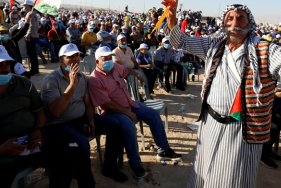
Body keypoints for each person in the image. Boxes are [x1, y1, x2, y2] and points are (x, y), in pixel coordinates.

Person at [161, 0, 281, 188]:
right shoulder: (213, 45)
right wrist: (172, 19)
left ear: (249, 24)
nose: (234, 23)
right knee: (202, 175)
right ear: (223, 23)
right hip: (210, 124)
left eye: (240, 19)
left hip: (243, 131)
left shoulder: (265, 49)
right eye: (230, 18)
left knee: (231, 180)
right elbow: (180, 41)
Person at [87, 46, 182, 178]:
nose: (109, 61)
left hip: (130, 104)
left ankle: (163, 150)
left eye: (110, 58)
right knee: (130, 127)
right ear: (97, 62)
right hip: (114, 112)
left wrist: (137, 74)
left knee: (153, 114)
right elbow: (106, 104)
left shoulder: (115, 67)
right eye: (105, 59)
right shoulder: (94, 79)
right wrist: (127, 113)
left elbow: (126, 70)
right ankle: (135, 165)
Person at [40, 44, 128, 187]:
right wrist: (72, 84)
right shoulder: (51, 80)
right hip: (60, 124)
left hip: (80, 119)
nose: (75, 59)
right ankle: (87, 183)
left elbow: (88, 103)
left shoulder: (82, 77)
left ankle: (109, 167)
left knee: (114, 125)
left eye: (77, 56)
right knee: (81, 143)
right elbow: (55, 111)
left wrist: (91, 121)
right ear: (62, 61)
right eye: (70, 57)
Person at [0, 47, 72, 188]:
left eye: (7, 64)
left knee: (65, 160)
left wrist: (39, 130)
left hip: (31, 144)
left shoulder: (23, 83)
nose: (5, 69)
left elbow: (39, 110)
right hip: (4, 154)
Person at [22, 0, 40, 76]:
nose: (23, 7)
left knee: (32, 55)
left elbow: (32, 26)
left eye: (25, 6)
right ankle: (34, 70)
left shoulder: (30, 14)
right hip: (33, 36)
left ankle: (34, 71)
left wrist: (27, 35)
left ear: (28, 6)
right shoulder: (33, 13)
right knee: (32, 54)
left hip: (31, 37)